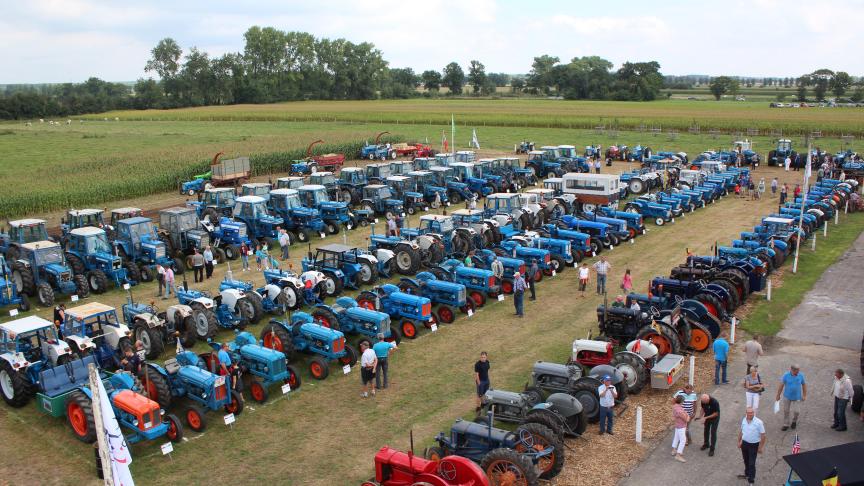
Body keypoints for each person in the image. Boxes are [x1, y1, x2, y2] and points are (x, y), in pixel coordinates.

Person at [737, 407, 766, 486]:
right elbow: (742, 431)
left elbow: (763, 436)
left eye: (751, 412)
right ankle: (747, 474)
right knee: (746, 460)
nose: (750, 414)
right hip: (744, 444)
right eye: (748, 412)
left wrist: (760, 447)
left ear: (754, 413)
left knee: (751, 463)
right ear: (746, 413)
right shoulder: (744, 419)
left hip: (754, 445)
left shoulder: (759, 422)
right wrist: (739, 441)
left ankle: (751, 480)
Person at [775, 364, 806, 431]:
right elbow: (781, 385)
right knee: (786, 410)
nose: (798, 372)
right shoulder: (786, 375)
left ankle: (794, 421)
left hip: (797, 397)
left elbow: (803, 384)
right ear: (792, 370)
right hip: (787, 396)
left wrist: (804, 395)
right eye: (797, 371)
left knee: (797, 411)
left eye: (798, 370)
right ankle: (786, 424)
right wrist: (778, 395)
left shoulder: (801, 375)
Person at [671, 395, 689, 463]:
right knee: (683, 440)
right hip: (681, 426)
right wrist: (687, 416)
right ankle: (678, 455)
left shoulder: (675, 406)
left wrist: (685, 414)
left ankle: (674, 450)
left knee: (676, 437)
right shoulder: (680, 410)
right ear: (681, 401)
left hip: (677, 425)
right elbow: (686, 419)